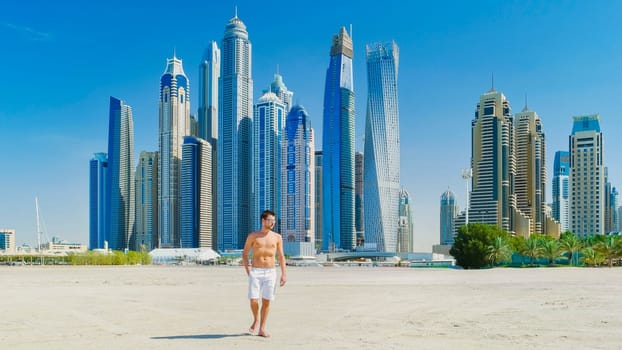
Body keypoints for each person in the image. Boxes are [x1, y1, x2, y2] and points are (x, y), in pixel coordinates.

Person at [242, 209, 287, 338]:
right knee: (253, 300)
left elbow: (281, 256)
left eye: (273, 220)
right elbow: (245, 254)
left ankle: (262, 328)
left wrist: (284, 274)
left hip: (271, 271)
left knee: (266, 301)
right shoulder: (253, 236)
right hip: (256, 271)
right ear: (263, 220)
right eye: (270, 220)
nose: (272, 222)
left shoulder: (277, 237)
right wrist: (248, 270)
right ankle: (256, 319)